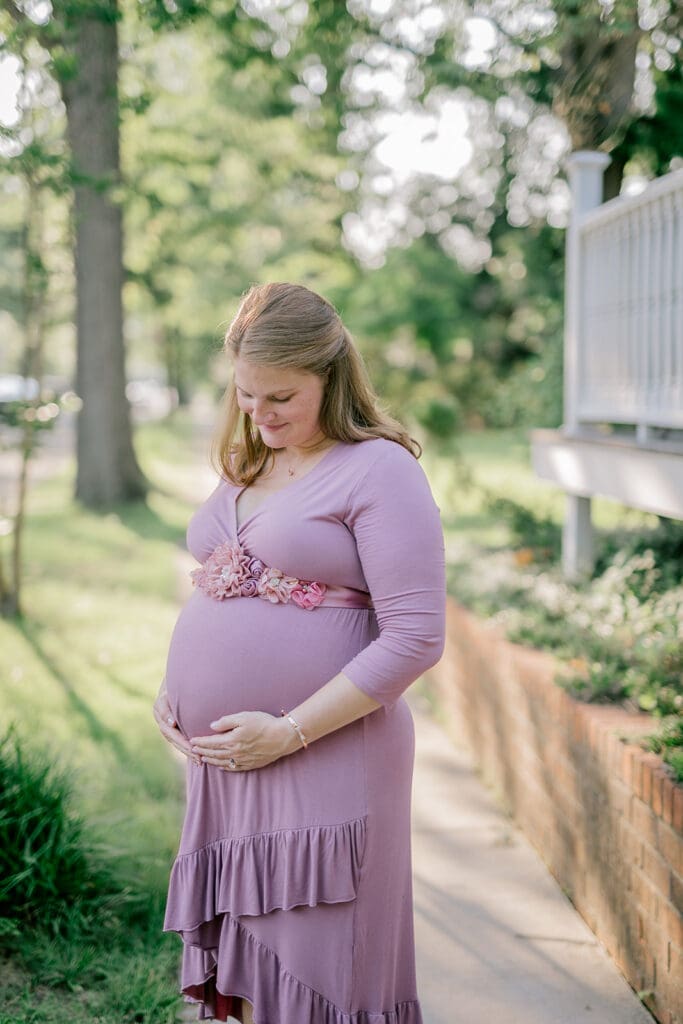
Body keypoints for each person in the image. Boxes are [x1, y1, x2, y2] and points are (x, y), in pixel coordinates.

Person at [153, 282, 446, 1024]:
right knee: (251, 974)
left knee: (320, 968)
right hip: (229, 767)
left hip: (326, 754)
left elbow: (415, 636)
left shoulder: (380, 469)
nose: (260, 413)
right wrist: (175, 694)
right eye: (246, 396)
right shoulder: (250, 463)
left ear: (331, 373)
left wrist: (288, 731)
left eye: (280, 396)